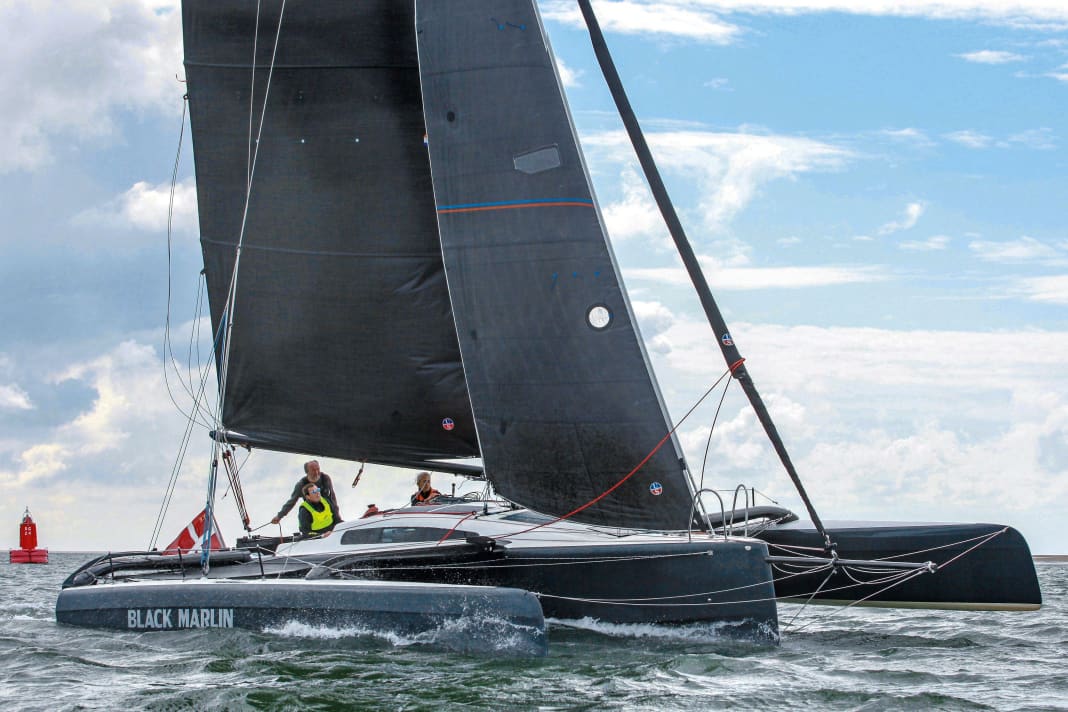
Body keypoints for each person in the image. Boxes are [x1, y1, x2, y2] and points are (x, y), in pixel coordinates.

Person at [271, 460, 342, 525]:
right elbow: (291, 502)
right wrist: (279, 516)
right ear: (307, 472)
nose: (316, 472)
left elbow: (332, 497)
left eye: (318, 469)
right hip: (314, 517)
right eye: (313, 470)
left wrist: (337, 517)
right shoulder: (301, 485)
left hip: (329, 514)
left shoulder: (325, 478)